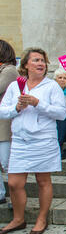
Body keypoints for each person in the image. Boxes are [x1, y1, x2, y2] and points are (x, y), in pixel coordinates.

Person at [0, 47, 66, 234]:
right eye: (36, 60)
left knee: (43, 180)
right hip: (20, 141)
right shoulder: (15, 86)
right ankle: (18, 219)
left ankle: (41, 219)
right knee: (14, 182)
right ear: (26, 64)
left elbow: (61, 113)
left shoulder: (52, 86)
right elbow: (3, 111)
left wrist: (38, 103)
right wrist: (16, 107)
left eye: (43, 61)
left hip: (43, 140)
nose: (40, 64)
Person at [0, 40, 19, 207]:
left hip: (4, 124)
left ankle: (16, 198)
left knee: (7, 162)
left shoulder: (9, 70)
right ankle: (0, 194)